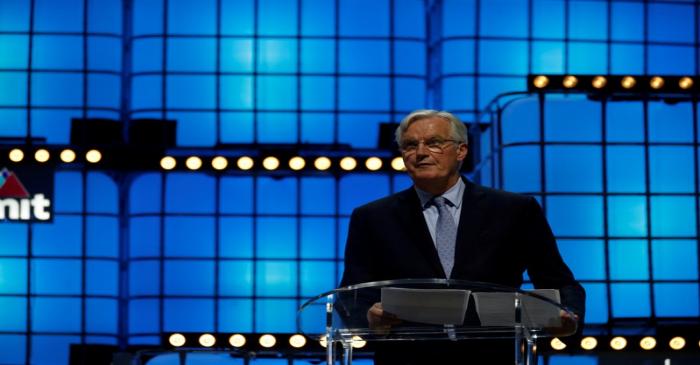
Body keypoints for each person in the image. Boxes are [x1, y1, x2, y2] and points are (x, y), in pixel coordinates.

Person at [339, 109, 585, 364]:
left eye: (434, 143)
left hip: (492, 358)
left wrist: (568, 316)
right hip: (407, 357)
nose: (421, 153)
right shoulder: (372, 218)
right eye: (410, 145)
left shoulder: (515, 210)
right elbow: (351, 294)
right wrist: (368, 317)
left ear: (461, 151)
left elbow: (560, 282)